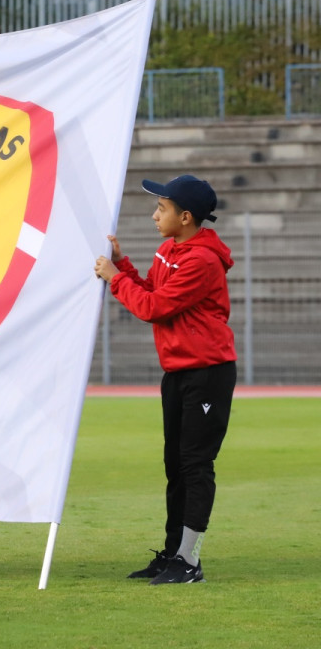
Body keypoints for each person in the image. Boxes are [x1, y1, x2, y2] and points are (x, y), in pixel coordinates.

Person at [94, 174, 236, 585]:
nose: (155, 214)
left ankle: (189, 561)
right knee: (176, 464)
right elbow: (148, 291)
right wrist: (122, 266)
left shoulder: (201, 260)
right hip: (178, 372)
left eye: (162, 208)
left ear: (186, 217)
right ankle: (174, 553)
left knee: (195, 464)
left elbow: (152, 308)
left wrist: (113, 278)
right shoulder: (168, 250)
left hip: (207, 373)